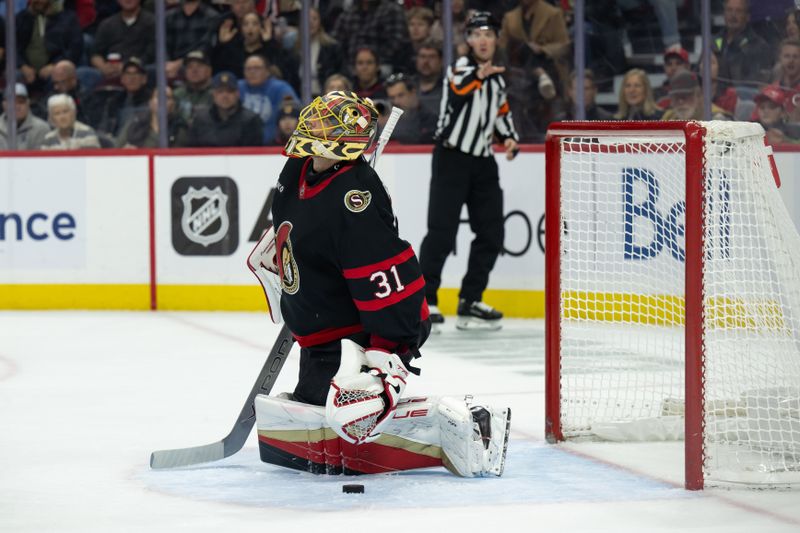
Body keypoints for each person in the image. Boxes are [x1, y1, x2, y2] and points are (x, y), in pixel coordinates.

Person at [251, 90, 510, 477]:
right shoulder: (296, 171)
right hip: (321, 334)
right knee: (295, 443)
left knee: (348, 426)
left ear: (344, 139)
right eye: (318, 117)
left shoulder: (357, 197)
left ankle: (469, 423)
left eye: (326, 123)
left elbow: (386, 279)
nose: (314, 125)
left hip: (361, 338)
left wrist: (387, 354)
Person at [418, 11, 519, 332]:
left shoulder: (498, 78)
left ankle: (470, 299)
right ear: (469, 40)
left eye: (489, 34)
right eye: (477, 34)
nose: (484, 40)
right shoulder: (459, 69)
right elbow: (461, 90)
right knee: (441, 233)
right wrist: (481, 74)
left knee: (492, 233)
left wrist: (511, 138)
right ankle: (426, 299)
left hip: (483, 161)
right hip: (451, 158)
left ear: (496, 40)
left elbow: (500, 111)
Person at [15, 0, 83, 90]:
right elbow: (13, 48)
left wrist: (55, 65)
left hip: (55, 67)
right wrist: (23, 66)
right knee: (14, 76)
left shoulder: (68, 18)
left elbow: (75, 48)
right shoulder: (21, 18)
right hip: (25, 68)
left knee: (60, 77)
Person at [187, 71, 263, 147]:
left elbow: (253, 153)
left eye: (230, 91)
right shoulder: (200, 119)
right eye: (220, 92)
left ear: (237, 94)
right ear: (213, 94)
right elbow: (192, 151)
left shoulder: (251, 120)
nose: (225, 96)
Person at [238, 54, 300, 145]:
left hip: (274, 145)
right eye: (248, 69)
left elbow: (294, 113)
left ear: (267, 71)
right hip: (242, 145)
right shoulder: (237, 88)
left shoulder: (281, 88)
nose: (252, 72)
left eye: (257, 68)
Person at [713, 0, 771, 84]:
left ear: (747, 17)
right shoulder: (713, 42)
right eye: (729, 10)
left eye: (738, 11)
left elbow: (757, 82)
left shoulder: (759, 46)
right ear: (724, 14)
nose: (733, 15)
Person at [116, 86, 188, 148]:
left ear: (173, 104)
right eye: (158, 97)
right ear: (150, 103)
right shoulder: (135, 124)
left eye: (167, 98)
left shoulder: (180, 127)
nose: (162, 101)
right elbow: (117, 149)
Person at [384, 73, 437, 144]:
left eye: (400, 95)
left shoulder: (431, 118)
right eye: (392, 97)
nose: (396, 101)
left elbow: (422, 141)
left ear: (413, 92)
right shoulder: (386, 118)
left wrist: (386, 128)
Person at [660, 70, 732, 121]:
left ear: (699, 96)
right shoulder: (669, 119)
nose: (680, 101)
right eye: (676, 97)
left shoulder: (717, 120)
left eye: (685, 96)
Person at [0, 83, 51, 150]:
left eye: (21, 102)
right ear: (4, 105)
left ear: (28, 103)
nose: (17, 106)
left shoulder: (42, 128)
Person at [173, 49, 213, 126]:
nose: (194, 70)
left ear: (209, 70)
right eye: (190, 67)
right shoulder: (177, 94)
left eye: (199, 66)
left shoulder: (216, 93)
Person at [414, 39, 444, 118]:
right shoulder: (408, 86)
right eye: (422, 56)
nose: (426, 62)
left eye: (432, 57)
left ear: (441, 61)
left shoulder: (447, 87)